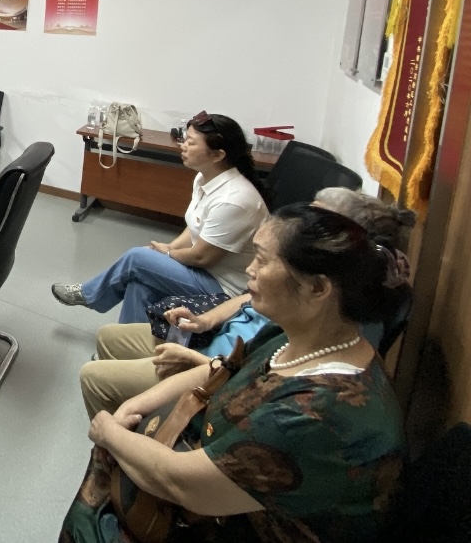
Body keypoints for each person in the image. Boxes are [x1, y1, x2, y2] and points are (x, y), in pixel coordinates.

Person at [61, 203, 409, 542]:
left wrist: (108, 431)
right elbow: (223, 369)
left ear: (317, 288)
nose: (249, 270)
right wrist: (134, 405)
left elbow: (181, 483)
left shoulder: (315, 414)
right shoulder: (296, 334)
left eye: (262, 259)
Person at [78, 188, 416, 419]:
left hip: (221, 373)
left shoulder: (327, 321)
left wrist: (200, 363)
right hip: (220, 353)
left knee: (96, 373)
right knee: (111, 332)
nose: (251, 270)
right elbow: (246, 311)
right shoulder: (298, 301)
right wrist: (205, 321)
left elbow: (257, 384)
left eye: (318, 223)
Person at [52, 112, 270, 324]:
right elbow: (195, 226)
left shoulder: (233, 200)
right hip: (204, 273)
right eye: (185, 139)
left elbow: (201, 258)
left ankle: (89, 294)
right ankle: (125, 344)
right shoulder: (204, 178)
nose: (183, 146)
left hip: (225, 290)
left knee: (137, 258)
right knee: (140, 284)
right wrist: (170, 248)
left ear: (218, 155)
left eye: (191, 143)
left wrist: (167, 253)